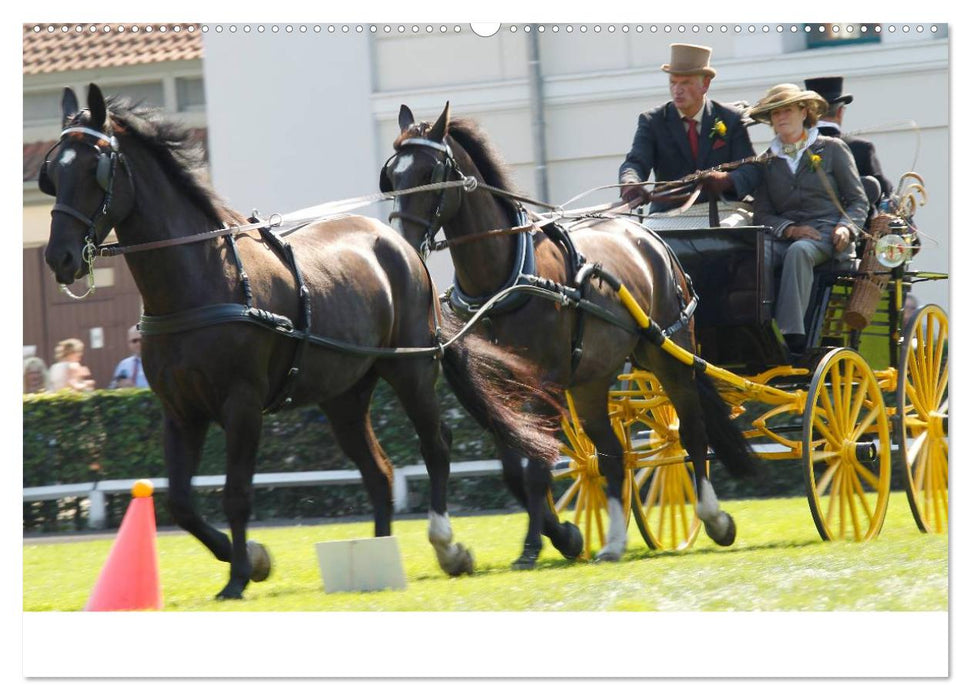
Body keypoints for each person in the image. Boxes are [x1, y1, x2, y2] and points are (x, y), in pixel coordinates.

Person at [749, 84, 869, 357]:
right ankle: (755, 329)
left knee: (800, 251)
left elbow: (858, 200)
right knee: (754, 254)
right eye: (775, 113)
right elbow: (763, 213)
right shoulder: (766, 161)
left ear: (804, 112)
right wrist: (790, 229)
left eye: (787, 110)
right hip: (786, 236)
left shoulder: (833, 149)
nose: (780, 117)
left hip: (827, 235)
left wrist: (845, 228)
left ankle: (793, 336)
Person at [618, 43, 762, 213]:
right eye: (673, 82)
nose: (677, 90)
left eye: (685, 83)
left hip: (723, 211)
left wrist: (726, 180)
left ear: (705, 84)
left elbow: (752, 169)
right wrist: (630, 184)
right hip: (668, 215)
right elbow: (635, 162)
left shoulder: (730, 118)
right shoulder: (652, 121)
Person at [804, 76, 893, 198]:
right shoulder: (861, 148)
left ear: (809, 113)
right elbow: (884, 194)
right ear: (840, 112)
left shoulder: (795, 150)